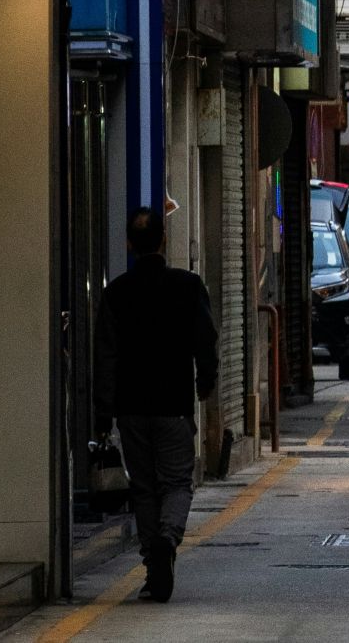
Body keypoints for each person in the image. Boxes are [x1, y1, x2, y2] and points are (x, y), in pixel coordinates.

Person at [92, 206, 217, 604]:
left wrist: (103, 412)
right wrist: (205, 381)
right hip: (173, 406)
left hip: (130, 409)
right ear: (164, 240)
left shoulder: (116, 294)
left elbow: (106, 357)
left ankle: (153, 566)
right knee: (177, 483)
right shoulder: (188, 286)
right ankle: (167, 538)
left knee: (144, 489)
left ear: (130, 245)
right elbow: (206, 339)